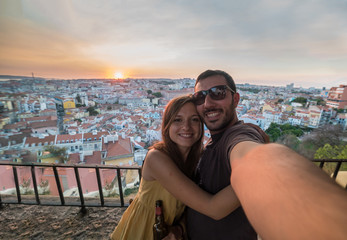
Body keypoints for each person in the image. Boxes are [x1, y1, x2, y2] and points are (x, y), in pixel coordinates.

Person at [187, 69, 347, 240]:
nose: (208, 103)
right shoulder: (211, 142)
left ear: (235, 100)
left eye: (218, 93)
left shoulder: (239, 136)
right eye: (200, 97)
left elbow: (252, 158)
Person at [110, 95, 241, 240]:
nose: (186, 127)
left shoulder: (197, 159)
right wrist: (254, 178)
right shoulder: (156, 158)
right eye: (178, 120)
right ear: (167, 125)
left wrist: (179, 229)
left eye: (194, 119)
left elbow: (189, 208)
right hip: (140, 231)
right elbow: (213, 208)